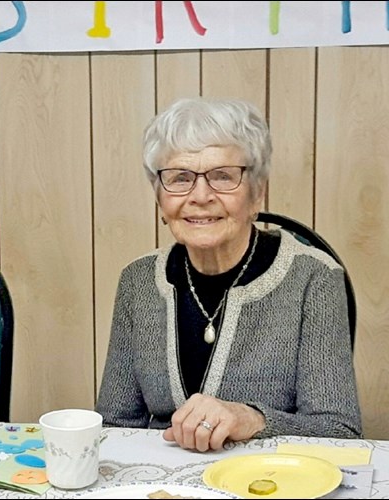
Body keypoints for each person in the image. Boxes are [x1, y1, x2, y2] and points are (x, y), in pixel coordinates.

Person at [96, 97, 362, 452]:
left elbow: (340, 432)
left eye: (223, 176)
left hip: (272, 481)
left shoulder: (314, 279)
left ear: (257, 193)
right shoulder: (138, 280)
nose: (200, 196)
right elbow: (115, 426)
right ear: (159, 197)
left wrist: (253, 419)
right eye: (180, 178)